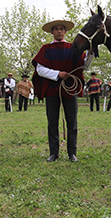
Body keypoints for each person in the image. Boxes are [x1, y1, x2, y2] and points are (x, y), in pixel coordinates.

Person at [32, 19, 93, 163]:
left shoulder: (74, 47)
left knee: (72, 122)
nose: (59, 31)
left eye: (62, 29)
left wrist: (91, 54)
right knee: (52, 122)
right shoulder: (46, 49)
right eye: (56, 29)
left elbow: (85, 66)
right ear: (52, 32)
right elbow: (40, 69)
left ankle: (72, 153)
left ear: (65, 31)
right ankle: (54, 153)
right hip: (52, 90)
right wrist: (57, 74)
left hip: (70, 88)